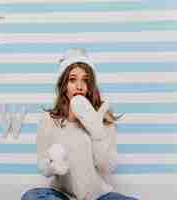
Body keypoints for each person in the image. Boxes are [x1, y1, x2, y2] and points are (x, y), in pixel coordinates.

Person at [21, 48, 139, 200]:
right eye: (72, 80)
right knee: (31, 197)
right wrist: (53, 162)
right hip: (62, 194)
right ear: (64, 86)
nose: (79, 86)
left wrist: (98, 134)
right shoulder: (49, 120)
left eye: (85, 80)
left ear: (90, 87)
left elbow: (108, 167)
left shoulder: (102, 118)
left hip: (98, 195)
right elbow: (43, 167)